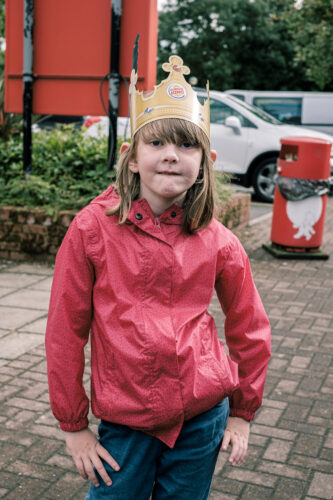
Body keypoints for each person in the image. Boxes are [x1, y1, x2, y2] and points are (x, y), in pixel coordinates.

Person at [45, 54, 271, 500]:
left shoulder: (219, 239)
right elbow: (64, 331)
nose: (172, 155)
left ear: (206, 162)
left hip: (202, 418)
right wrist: (73, 425)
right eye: (157, 144)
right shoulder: (91, 230)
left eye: (188, 146)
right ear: (131, 158)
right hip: (126, 423)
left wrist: (242, 412)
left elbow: (250, 327)